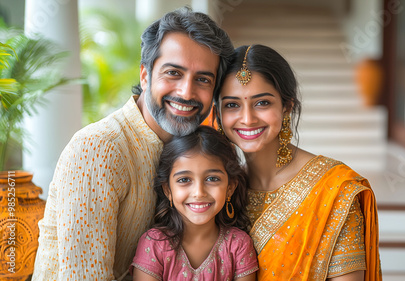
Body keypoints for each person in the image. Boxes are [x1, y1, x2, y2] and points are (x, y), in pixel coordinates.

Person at [33, 7, 234, 281]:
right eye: (173, 73)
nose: (186, 92)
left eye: (202, 79)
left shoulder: (189, 151)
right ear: (145, 75)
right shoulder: (99, 149)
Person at [214, 44, 382, 281]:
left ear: (287, 106)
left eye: (262, 103)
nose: (247, 118)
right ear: (218, 113)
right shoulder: (217, 189)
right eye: (232, 105)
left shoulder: (334, 191)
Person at [130, 126, 258, 280]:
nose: (199, 192)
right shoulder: (155, 244)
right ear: (167, 190)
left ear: (230, 188)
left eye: (212, 179)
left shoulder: (238, 245)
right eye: (184, 180)